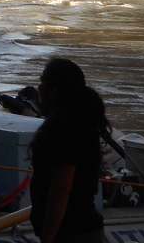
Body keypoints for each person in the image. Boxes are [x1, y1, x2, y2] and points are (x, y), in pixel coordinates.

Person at [29, 58, 109, 243]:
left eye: (42, 82)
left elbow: (62, 188)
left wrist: (48, 238)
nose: (38, 86)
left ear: (53, 92)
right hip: (83, 227)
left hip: (71, 232)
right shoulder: (82, 122)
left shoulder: (63, 129)